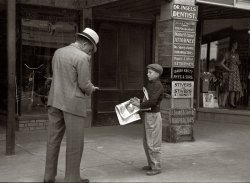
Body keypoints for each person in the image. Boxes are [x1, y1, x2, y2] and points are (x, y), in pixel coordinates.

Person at [44, 27, 99, 183]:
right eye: (91, 48)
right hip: (73, 104)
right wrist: (91, 89)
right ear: (85, 43)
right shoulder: (82, 57)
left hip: (55, 99)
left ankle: (48, 176)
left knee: (53, 139)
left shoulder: (58, 52)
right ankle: (72, 178)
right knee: (75, 143)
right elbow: (83, 84)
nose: (90, 52)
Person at [130, 63, 164, 176]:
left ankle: (156, 167)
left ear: (157, 74)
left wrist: (139, 105)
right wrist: (139, 101)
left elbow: (153, 101)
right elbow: (147, 99)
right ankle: (151, 164)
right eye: (148, 72)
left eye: (150, 72)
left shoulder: (157, 85)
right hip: (148, 115)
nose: (147, 74)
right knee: (147, 142)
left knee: (153, 142)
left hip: (153, 116)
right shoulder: (151, 84)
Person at [224, 40, 242, 108]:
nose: (237, 46)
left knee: (234, 88)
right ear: (233, 45)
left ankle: (232, 103)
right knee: (229, 88)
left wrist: (238, 63)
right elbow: (222, 63)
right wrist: (228, 69)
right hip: (231, 72)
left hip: (236, 72)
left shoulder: (237, 54)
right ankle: (224, 103)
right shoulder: (228, 53)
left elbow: (238, 63)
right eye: (236, 44)